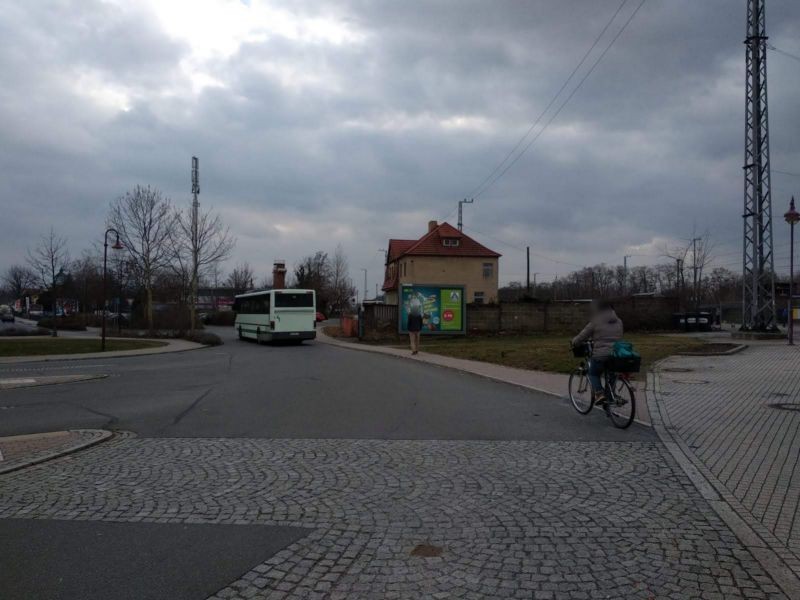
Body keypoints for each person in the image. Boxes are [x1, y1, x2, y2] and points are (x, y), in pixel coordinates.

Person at [571, 300, 623, 406]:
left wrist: (574, 342)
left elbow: (582, 336)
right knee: (612, 374)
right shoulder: (619, 321)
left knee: (592, 373)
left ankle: (599, 394)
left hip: (601, 355)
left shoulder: (596, 321)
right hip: (616, 354)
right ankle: (610, 395)